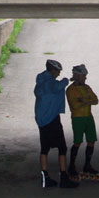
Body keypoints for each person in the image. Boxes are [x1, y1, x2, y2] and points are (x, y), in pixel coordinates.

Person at [34, 59, 78, 188]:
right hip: (52, 119)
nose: (59, 74)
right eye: (58, 71)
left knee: (44, 149)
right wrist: (66, 80)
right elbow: (57, 86)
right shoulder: (49, 83)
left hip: (42, 119)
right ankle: (64, 177)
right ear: (53, 71)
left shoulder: (41, 81)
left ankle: (45, 177)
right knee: (62, 148)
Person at [66, 64, 99, 180]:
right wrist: (87, 101)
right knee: (77, 142)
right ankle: (71, 166)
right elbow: (74, 105)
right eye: (83, 76)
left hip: (88, 117)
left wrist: (83, 100)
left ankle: (87, 165)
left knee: (91, 141)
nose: (85, 78)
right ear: (77, 76)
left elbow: (96, 100)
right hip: (77, 118)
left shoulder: (87, 88)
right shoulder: (70, 90)